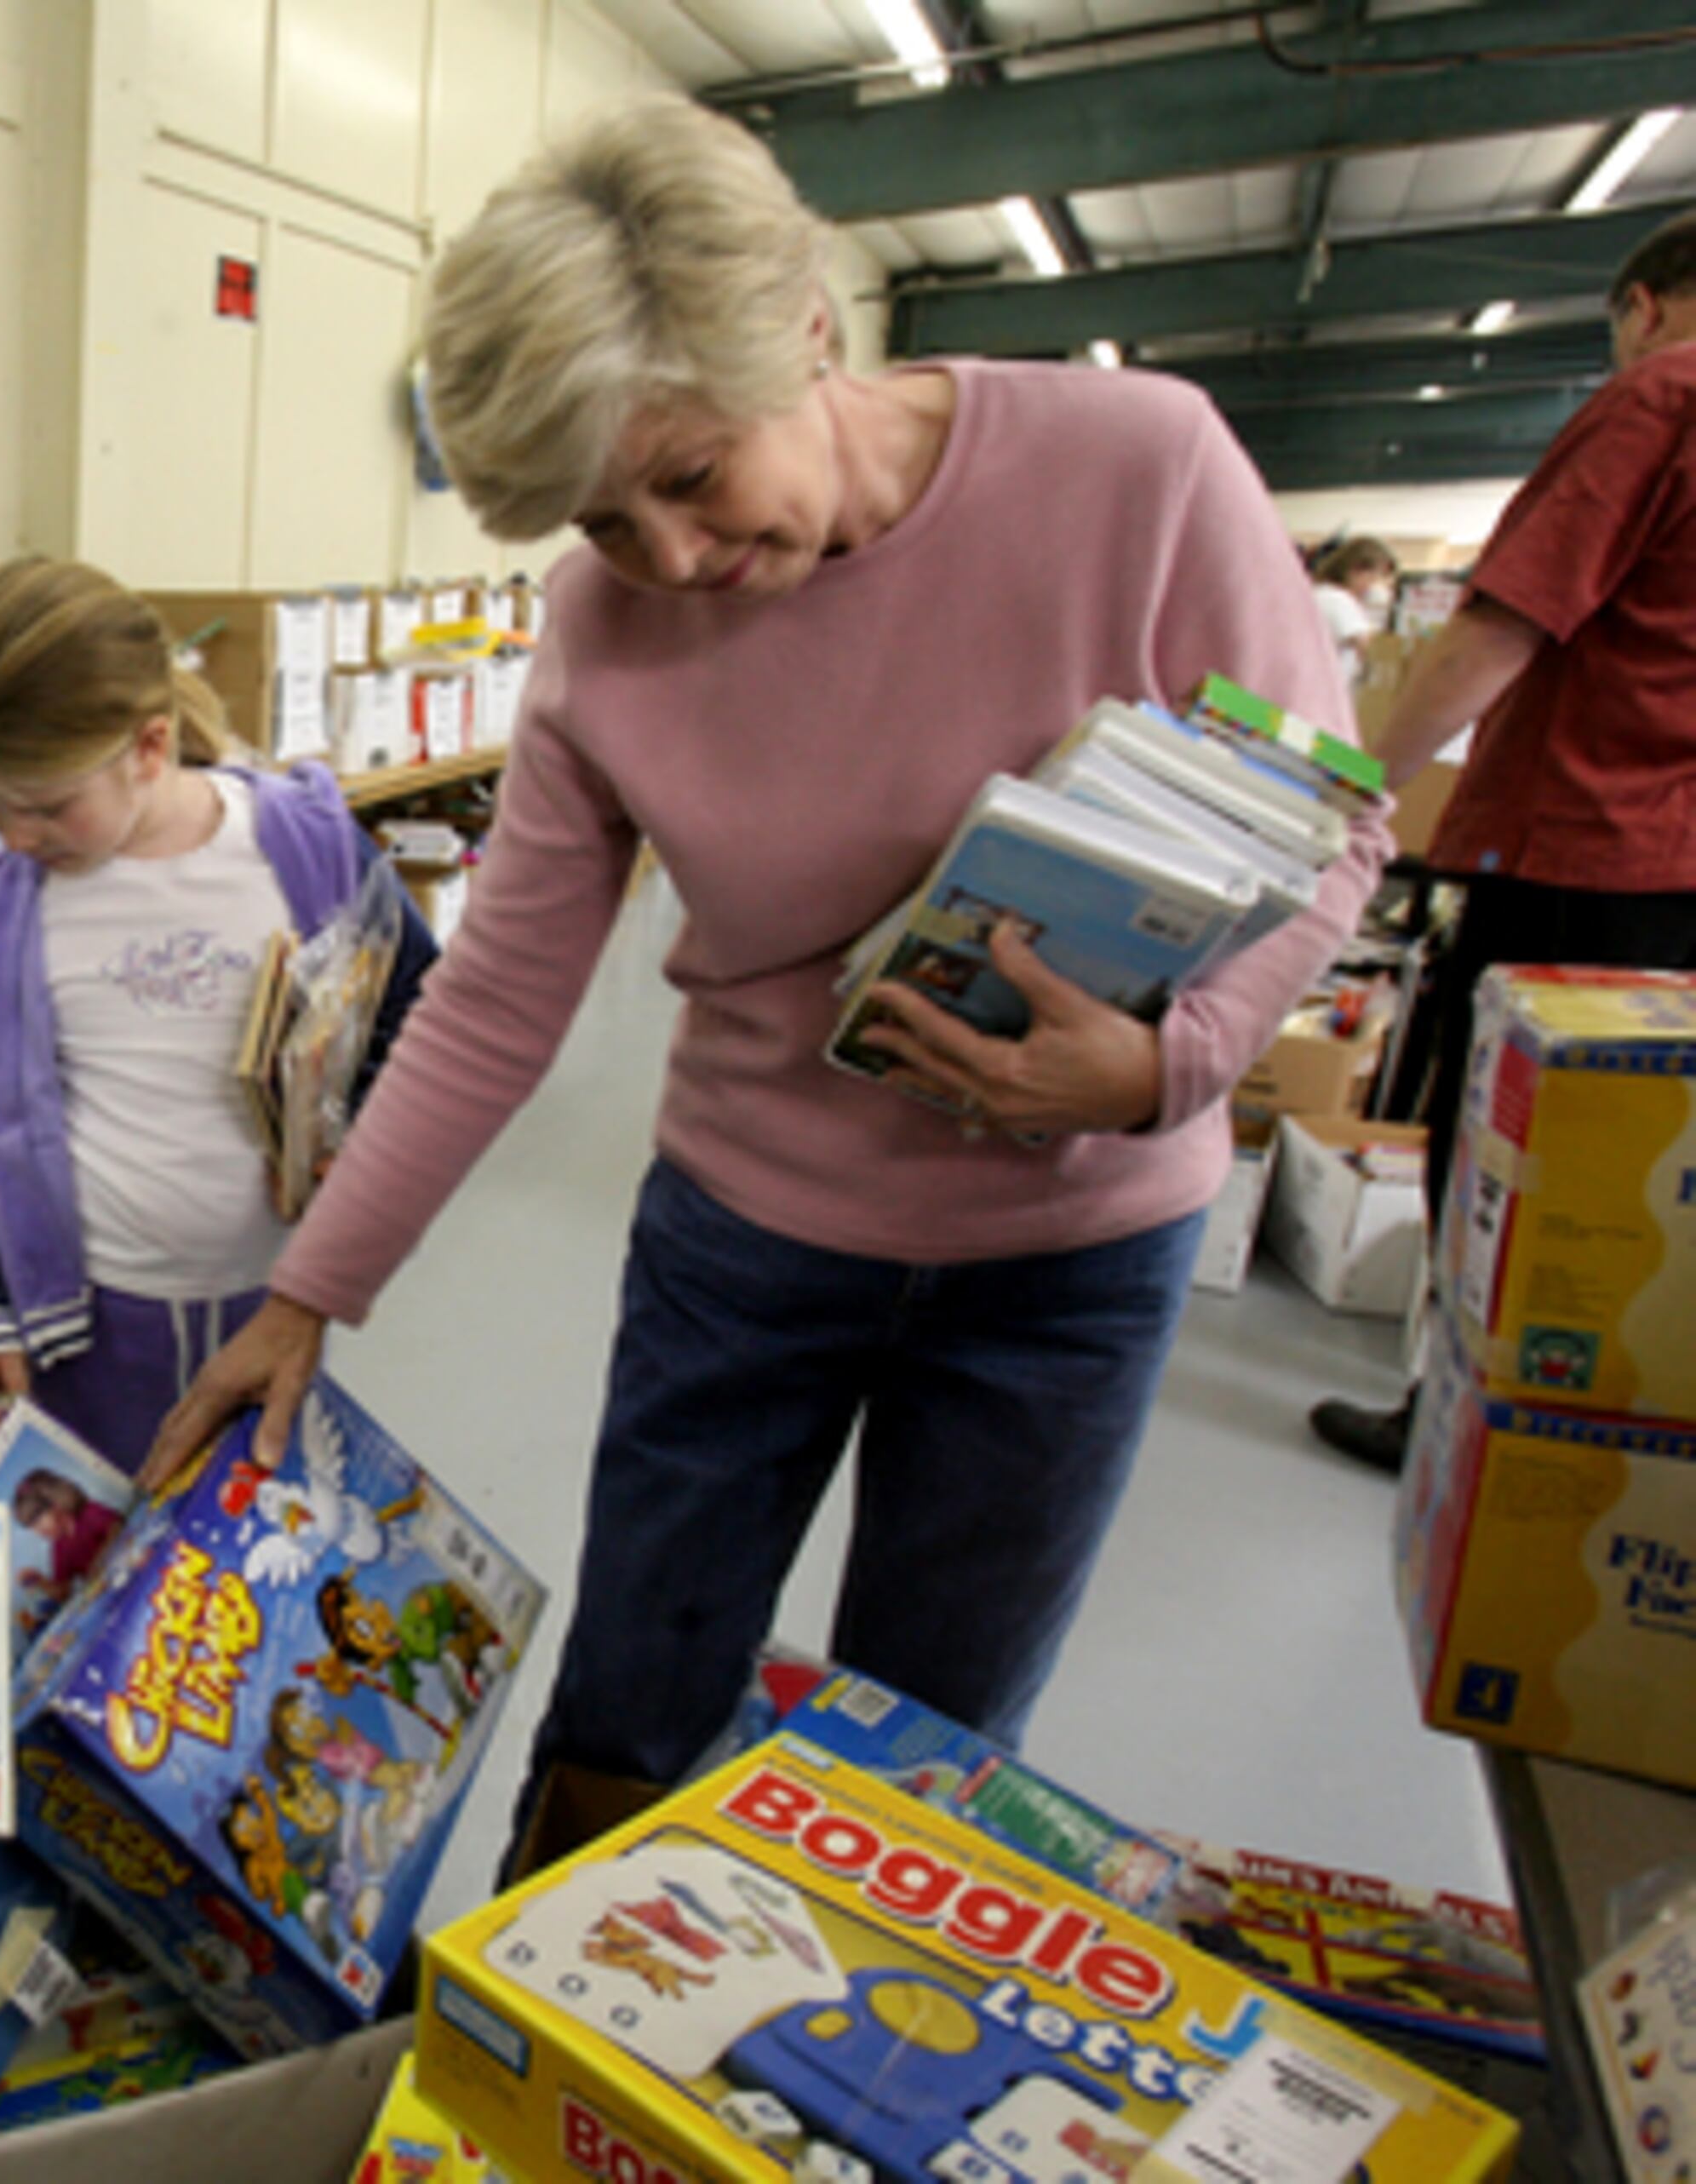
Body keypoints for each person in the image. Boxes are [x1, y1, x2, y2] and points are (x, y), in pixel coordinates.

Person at [141, 97, 1391, 1821]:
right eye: (600, 525)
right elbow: (500, 993)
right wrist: (308, 1295)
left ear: (807, 331)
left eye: (687, 476)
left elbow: (1335, 828)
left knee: (926, 1758)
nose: (670, 563)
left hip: (1067, 1264)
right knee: (625, 1729)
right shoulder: (604, 629)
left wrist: (1167, 1066)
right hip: (747, 1247)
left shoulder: (1145, 471)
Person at [1309, 208, 1696, 1476]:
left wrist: (1350, 784)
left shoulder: (1657, 398)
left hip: (1583, 859)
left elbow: (1502, 623)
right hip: (1677, 882)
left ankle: (1456, 1433)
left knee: (1505, 1166)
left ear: (1641, 304)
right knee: (1630, 1193)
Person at [0, 556, 440, 1474]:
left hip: (272, 1304)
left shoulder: (303, 845)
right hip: (82, 1331)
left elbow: (426, 1013)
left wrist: (356, 1138)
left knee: (232, 1576)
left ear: (149, 747)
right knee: (98, 1580)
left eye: (42, 805)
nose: (12, 836)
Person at [1311, 536, 1401, 696]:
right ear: (1357, 570)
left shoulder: (1320, 594)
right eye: (1378, 576)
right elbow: (1371, 649)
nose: (1379, 584)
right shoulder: (1337, 600)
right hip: (1321, 697)